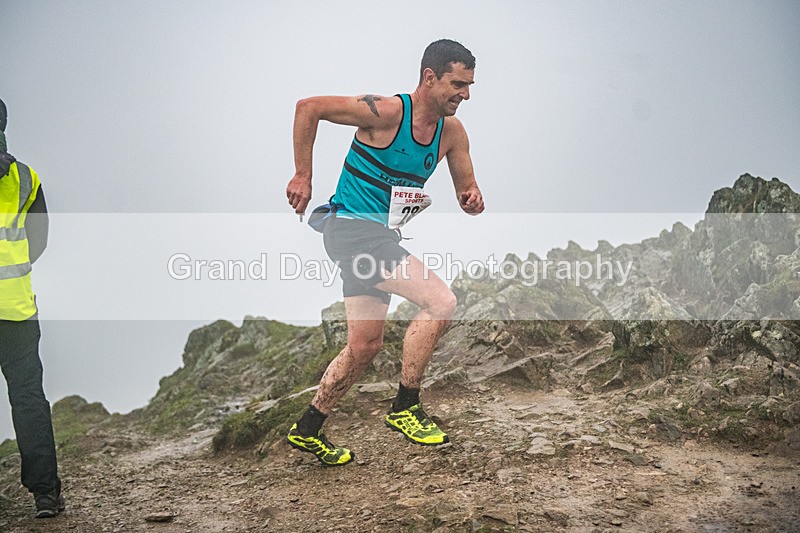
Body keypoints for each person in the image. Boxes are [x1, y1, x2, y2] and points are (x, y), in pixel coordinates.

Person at [284, 39, 484, 466]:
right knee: (440, 302)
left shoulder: (451, 133)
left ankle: (308, 428)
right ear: (429, 78)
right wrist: (303, 174)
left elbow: (466, 186)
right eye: (457, 84)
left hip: (377, 238)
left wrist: (471, 197)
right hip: (352, 232)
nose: (464, 94)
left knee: (365, 346)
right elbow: (308, 107)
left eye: (469, 86)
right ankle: (405, 406)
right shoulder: (387, 112)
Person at [0, 97, 65, 517]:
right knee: (28, 400)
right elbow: (38, 241)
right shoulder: (24, 177)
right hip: (17, 308)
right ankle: (45, 495)